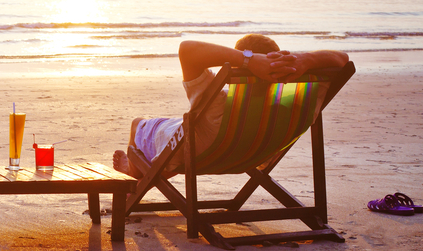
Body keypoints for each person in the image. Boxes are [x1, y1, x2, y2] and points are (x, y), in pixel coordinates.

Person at [113, 35, 349, 179]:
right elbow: (342, 59)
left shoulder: (217, 106)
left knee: (139, 124)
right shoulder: (295, 104)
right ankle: (156, 171)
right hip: (252, 153)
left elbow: (187, 49)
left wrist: (246, 59)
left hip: (201, 149)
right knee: (181, 143)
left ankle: (133, 172)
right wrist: (305, 60)